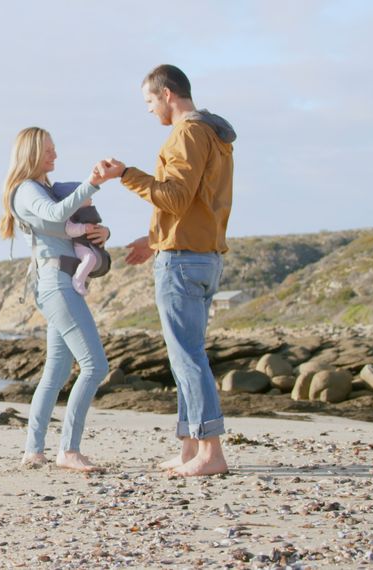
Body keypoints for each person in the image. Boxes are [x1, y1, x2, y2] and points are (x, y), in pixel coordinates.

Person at [100, 65, 236, 477]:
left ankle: (210, 453)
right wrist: (154, 239)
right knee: (185, 356)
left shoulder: (187, 133)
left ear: (168, 94)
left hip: (184, 260)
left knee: (188, 357)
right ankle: (190, 447)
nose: (149, 110)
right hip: (201, 254)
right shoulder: (213, 133)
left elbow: (175, 197)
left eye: (149, 101)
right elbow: (196, 203)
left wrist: (125, 175)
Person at [0, 126, 113, 472]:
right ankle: (69, 450)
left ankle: (33, 451)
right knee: (95, 366)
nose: (55, 156)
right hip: (55, 284)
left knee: (56, 372)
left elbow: (72, 223)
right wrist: (92, 184)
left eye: (54, 149)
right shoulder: (27, 191)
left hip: (62, 281)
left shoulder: (44, 189)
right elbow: (54, 216)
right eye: (48, 150)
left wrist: (103, 232)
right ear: (31, 153)